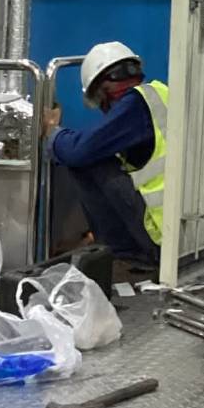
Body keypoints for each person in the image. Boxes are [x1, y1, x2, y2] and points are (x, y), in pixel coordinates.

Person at [42, 42, 167, 271]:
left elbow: (79, 151)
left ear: (104, 89)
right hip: (181, 233)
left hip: (161, 237)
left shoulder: (135, 106)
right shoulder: (159, 94)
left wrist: (52, 133)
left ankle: (126, 254)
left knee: (92, 161)